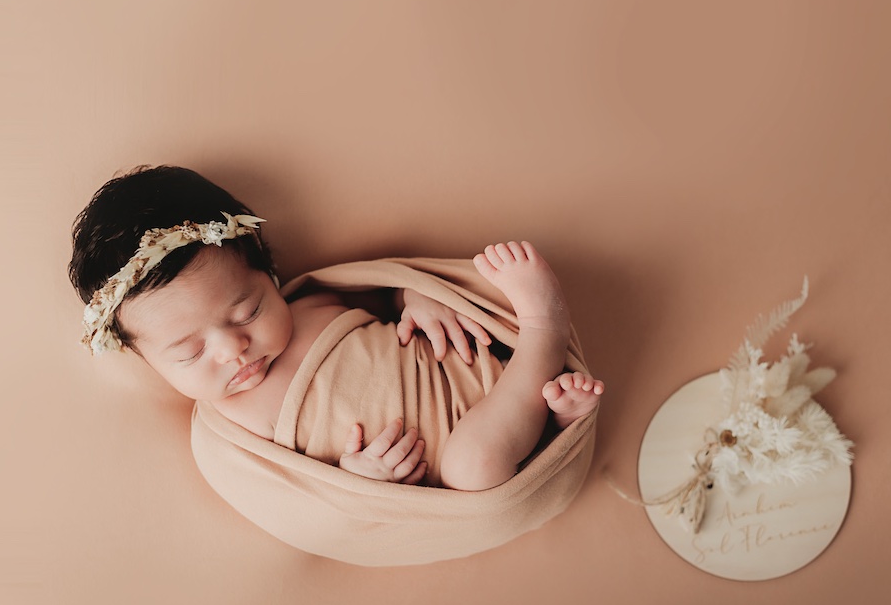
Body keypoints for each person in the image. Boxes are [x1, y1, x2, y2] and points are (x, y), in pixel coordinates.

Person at [69, 165, 603, 491]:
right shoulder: (229, 437)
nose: (234, 347)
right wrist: (357, 477)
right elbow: (311, 500)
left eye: (248, 311)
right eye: (188, 354)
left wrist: (413, 295)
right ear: (151, 363)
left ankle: (547, 408)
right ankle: (542, 328)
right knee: (475, 464)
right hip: (458, 464)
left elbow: (379, 290)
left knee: (494, 437)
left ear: (270, 276)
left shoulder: (311, 301)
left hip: (475, 375)